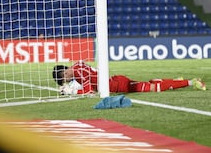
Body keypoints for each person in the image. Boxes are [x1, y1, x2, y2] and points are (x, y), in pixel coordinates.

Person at [52, 60, 206, 95]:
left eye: (64, 78)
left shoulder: (79, 73)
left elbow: (89, 91)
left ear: (65, 72)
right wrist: (73, 86)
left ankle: (192, 82)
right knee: (150, 83)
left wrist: (71, 91)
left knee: (154, 88)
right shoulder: (78, 65)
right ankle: (176, 81)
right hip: (116, 80)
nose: (66, 80)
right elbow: (88, 82)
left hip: (118, 86)